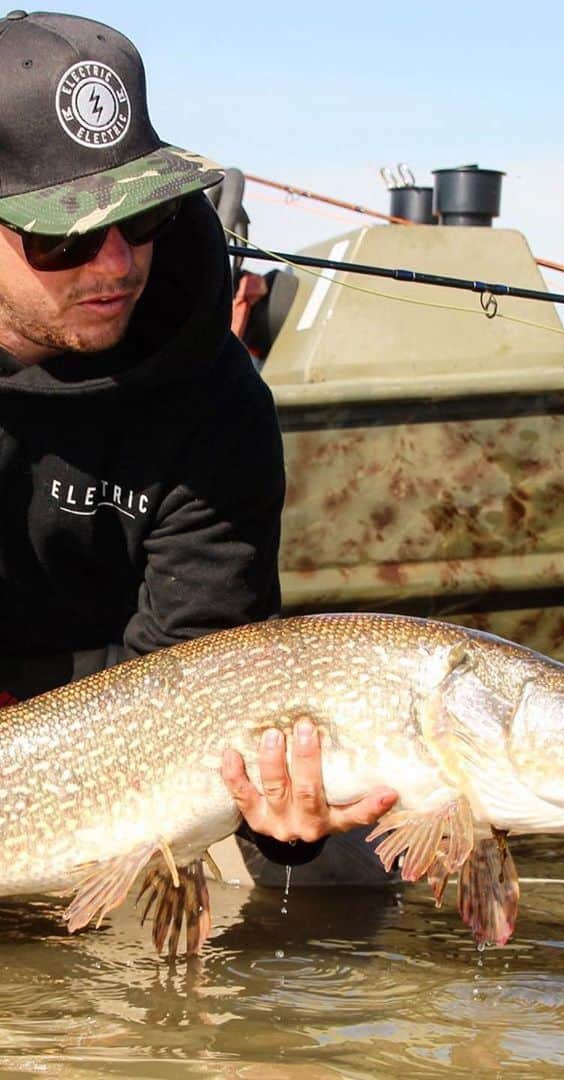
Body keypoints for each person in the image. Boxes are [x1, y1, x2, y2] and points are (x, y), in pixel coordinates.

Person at [0, 9, 396, 860]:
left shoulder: (219, 403)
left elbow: (207, 661)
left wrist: (284, 824)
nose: (115, 264)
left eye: (142, 219)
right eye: (61, 236)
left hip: (131, 737)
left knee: (335, 879)